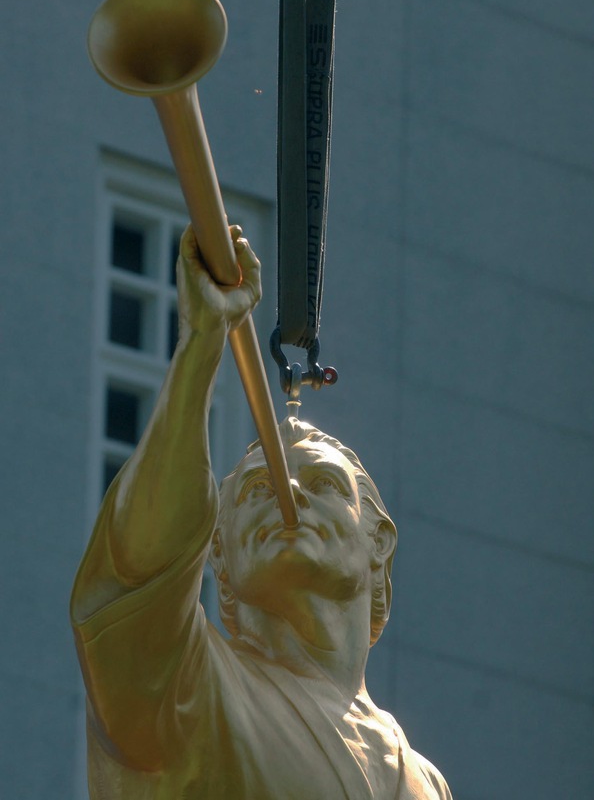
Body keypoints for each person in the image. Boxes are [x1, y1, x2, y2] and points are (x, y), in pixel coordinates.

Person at [71, 225, 453, 800]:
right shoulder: (188, 689)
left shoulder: (424, 781)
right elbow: (139, 569)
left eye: (323, 482)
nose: (286, 492)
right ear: (217, 555)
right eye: (254, 494)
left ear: (378, 541)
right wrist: (202, 344)